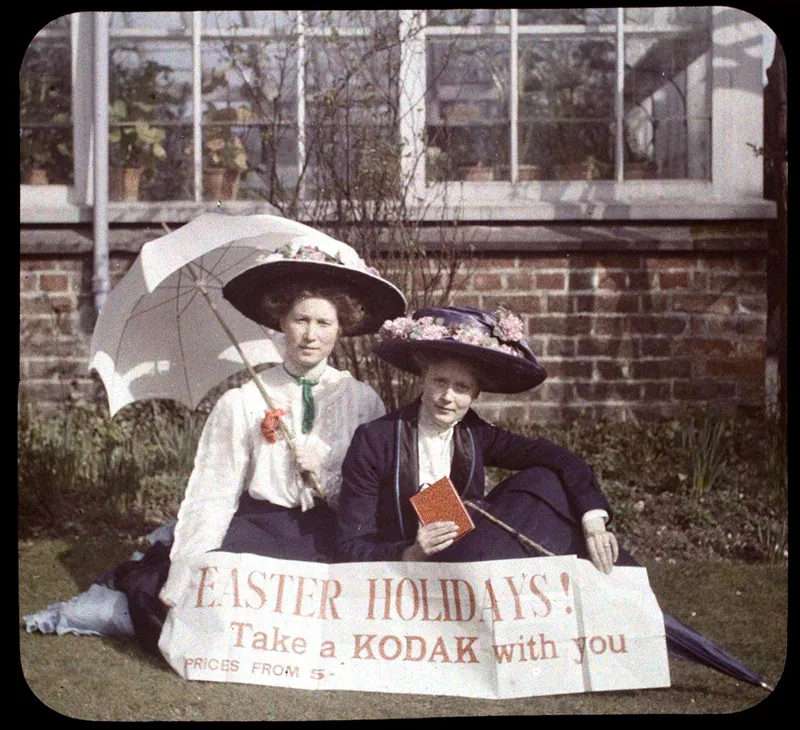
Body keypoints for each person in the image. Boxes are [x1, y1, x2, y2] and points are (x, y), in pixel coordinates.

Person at [335, 305, 769, 688]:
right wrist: (411, 551)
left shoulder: (473, 433)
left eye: (462, 387)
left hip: (473, 570)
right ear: (422, 379)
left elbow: (563, 459)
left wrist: (593, 520)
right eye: (439, 382)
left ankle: (629, 610)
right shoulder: (376, 440)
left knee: (545, 480)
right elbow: (351, 546)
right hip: (410, 583)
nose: (448, 397)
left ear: (476, 394)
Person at [25, 243, 407, 655]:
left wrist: (327, 476)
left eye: (323, 323)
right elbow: (215, 489)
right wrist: (190, 565)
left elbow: (373, 493)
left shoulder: (362, 401)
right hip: (264, 527)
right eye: (300, 320)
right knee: (201, 606)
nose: (311, 335)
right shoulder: (244, 400)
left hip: (333, 533)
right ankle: (113, 605)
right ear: (281, 321)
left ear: (341, 327)